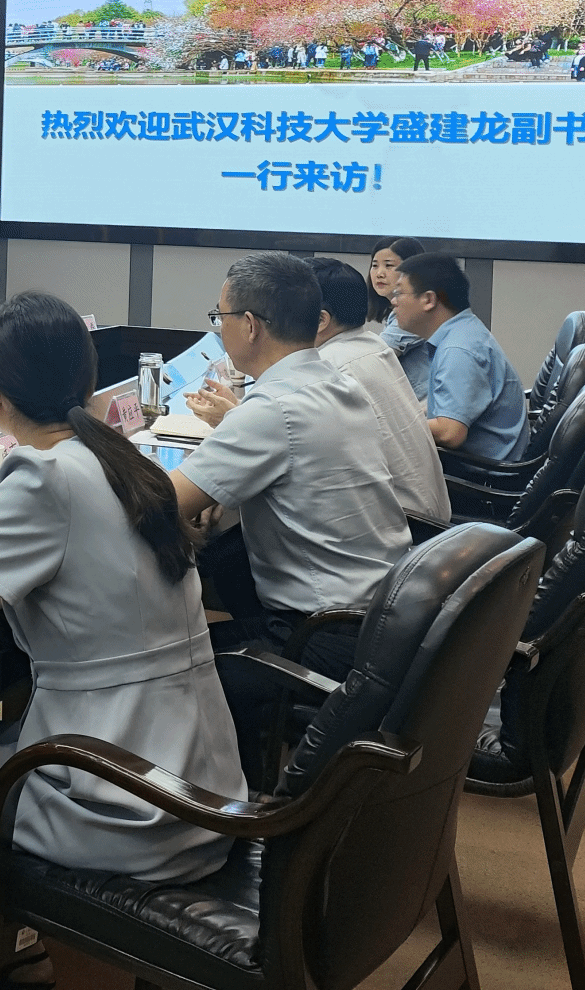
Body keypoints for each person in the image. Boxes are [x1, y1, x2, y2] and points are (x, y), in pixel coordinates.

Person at [0, 291, 245, 990]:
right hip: (201, 782)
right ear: (87, 382)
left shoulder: (40, 474)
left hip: (122, 796)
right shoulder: (128, 463)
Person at [169, 253, 411, 778]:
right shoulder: (335, 383)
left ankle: (227, 804)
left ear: (249, 326)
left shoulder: (272, 409)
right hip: (380, 621)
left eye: (219, 317)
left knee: (169, 669)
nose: (219, 328)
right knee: (222, 558)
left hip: (324, 637)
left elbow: (161, 503)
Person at [308, 258, 450, 525]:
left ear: (320, 320)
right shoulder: (373, 345)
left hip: (406, 526)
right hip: (429, 517)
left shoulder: (329, 369)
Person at [389, 252, 529, 463]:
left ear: (428, 300)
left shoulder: (458, 349)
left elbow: (449, 433)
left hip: (478, 476)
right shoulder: (462, 332)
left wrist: (391, 424)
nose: (393, 302)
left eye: (399, 293)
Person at [365, 235, 427, 337]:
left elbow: (382, 347)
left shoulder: (412, 315)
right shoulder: (395, 313)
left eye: (388, 265)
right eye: (375, 265)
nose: (379, 274)